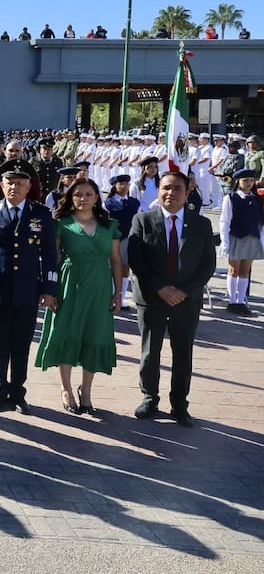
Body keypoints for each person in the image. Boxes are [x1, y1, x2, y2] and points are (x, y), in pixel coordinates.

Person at [128, 170, 217, 427]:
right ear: (159, 191)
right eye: (166, 188)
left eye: (177, 188)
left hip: (186, 301)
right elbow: (136, 260)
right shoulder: (143, 220)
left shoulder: (201, 224)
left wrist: (183, 291)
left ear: (187, 192)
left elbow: (207, 265)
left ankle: (179, 404)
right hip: (152, 298)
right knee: (149, 352)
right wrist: (161, 289)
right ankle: (149, 398)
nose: (171, 193)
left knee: (183, 354)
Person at [0, 162, 58, 414]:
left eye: (20, 183)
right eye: (10, 182)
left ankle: (18, 391)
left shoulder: (40, 214)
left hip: (28, 289)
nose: (14, 187)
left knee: (21, 341)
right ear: (2, 185)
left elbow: (50, 255)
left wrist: (48, 288)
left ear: (28, 186)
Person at [35, 180, 120, 415]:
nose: (83, 198)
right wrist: (49, 289)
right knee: (67, 332)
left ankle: (88, 391)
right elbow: (52, 258)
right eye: (78, 195)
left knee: (94, 334)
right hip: (69, 284)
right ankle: (66, 389)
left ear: (97, 198)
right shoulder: (61, 223)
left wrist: (118, 292)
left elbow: (115, 260)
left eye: (89, 194)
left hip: (99, 286)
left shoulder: (109, 225)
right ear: (71, 198)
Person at [219, 168, 263, 316]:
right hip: (236, 237)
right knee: (234, 270)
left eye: (251, 181)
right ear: (238, 181)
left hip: (251, 237)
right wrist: (224, 241)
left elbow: (259, 222)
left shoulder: (256, 199)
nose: (249, 183)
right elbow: (224, 221)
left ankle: (241, 300)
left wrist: (261, 238)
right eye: (245, 181)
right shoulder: (231, 198)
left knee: (245, 271)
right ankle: (232, 301)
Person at [104, 175, 140, 311]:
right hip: (112, 238)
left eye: (126, 184)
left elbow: (138, 220)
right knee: (111, 267)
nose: (124, 186)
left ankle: (121, 297)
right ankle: (110, 296)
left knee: (125, 268)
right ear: (115, 186)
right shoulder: (108, 203)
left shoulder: (134, 202)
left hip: (128, 238)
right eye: (121, 184)